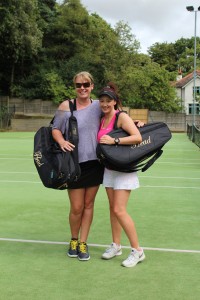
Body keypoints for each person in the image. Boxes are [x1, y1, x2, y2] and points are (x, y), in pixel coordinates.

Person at [52, 71, 104, 261]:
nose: (82, 88)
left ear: (92, 86)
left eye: (86, 84)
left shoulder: (99, 105)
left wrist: (136, 122)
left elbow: (116, 118)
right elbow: (55, 128)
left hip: (95, 163)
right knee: (76, 207)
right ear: (74, 87)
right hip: (73, 163)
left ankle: (83, 242)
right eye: (78, 85)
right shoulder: (67, 106)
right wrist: (61, 141)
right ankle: (73, 239)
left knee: (89, 205)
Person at [97, 82, 145, 268]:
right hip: (109, 169)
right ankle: (116, 245)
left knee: (119, 209)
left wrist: (115, 140)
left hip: (124, 170)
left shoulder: (121, 116)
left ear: (115, 102)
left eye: (108, 101)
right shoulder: (102, 119)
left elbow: (137, 137)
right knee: (112, 208)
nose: (105, 104)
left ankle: (137, 251)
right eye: (102, 101)